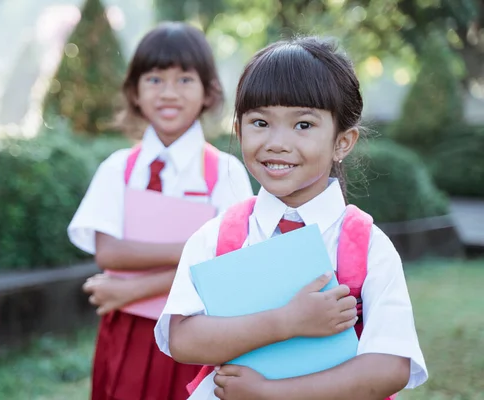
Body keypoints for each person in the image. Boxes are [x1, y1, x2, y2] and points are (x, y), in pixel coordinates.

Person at [154, 37, 428, 400]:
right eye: (260, 122)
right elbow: (183, 339)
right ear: (238, 129)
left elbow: (391, 365)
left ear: (342, 142)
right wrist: (286, 321)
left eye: (303, 125)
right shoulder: (218, 236)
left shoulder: (367, 246)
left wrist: (272, 392)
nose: (277, 142)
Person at [67, 22, 253, 400]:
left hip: (198, 334)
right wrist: (196, 250)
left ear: (208, 92)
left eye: (184, 80)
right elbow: (109, 251)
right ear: (134, 91)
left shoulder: (226, 172)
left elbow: (227, 268)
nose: (169, 93)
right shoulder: (118, 168)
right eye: (154, 79)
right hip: (127, 333)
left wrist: (134, 288)